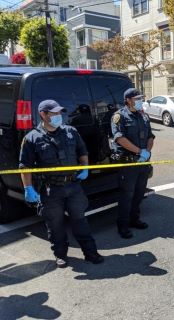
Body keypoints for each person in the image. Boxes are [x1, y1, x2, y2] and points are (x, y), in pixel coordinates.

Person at [19, 99, 104, 268]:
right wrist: (28, 188)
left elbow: (82, 151)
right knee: (55, 224)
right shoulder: (31, 138)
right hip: (51, 190)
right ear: (43, 115)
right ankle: (60, 255)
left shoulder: (70, 131)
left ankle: (90, 252)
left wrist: (85, 168)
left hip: (73, 186)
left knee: (80, 221)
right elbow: (24, 166)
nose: (59, 116)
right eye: (54, 113)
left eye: (60, 113)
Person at [111, 88, 155, 239]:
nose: (140, 101)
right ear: (128, 100)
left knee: (139, 194)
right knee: (126, 196)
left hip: (142, 163)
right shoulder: (119, 116)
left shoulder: (143, 115)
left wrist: (147, 152)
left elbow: (150, 136)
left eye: (141, 98)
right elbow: (120, 139)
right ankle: (122, 225)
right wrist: (138, 151)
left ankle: (134, 219)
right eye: (137, 98)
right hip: (128, 164)